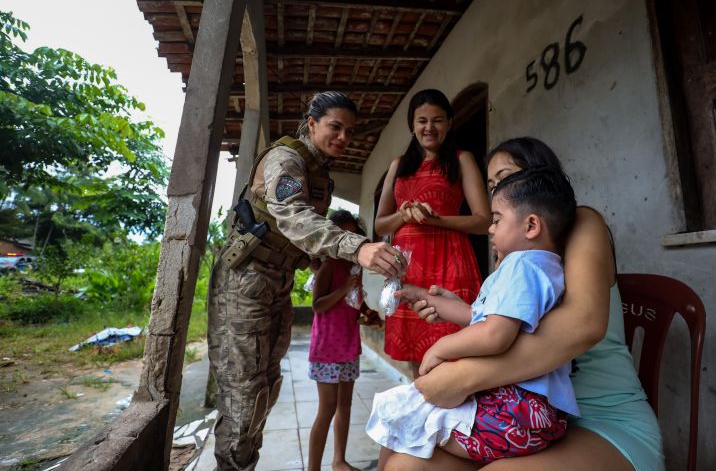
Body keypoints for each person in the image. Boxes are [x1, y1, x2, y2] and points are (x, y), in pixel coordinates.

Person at [386, 137, 665, 471]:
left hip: (600, 418)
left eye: (506, 176)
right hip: (520, 416)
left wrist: (460, 376)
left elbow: (583, 327)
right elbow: (507, 325)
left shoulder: (582, 223)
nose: (500, 188)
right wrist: (469, 311)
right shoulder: (514, 254)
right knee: (404, 460)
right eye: (493, 184)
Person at [208, 91, 406, 471]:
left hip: (276, 284)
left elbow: (302, 237)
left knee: (266, 385)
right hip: (245, 284)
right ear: (312, 123)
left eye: (350, 131)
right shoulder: (287, 158)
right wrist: (356, 247)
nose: (344, 138)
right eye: (335, 127)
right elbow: (295, 218)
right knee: (244, 395)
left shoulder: (320, 175)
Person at [367, 166, 580, 466]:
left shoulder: (521, 266)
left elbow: (495, 335)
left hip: (514, 412)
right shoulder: (543, 266)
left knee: (400, 418)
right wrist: (427, 297)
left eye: (497, 220)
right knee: (403, 423)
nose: (490, 229)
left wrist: (439, 348)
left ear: (531, 225)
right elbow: (480, 317)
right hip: (531, 415)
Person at [374, 89, 490, 378]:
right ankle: (424, 414)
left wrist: (437, 220)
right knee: (416, 357)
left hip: (449, 263)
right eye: (422, 120)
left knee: (454, 351)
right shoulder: (398, 166)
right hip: (408, 268)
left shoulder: (463, 159)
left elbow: (483, 220)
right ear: (412, 125)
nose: (429, 127)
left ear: (450, 122)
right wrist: (403, 215)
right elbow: (380, 225)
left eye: (437, 120)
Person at [307, 210, 367, 471]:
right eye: (344, 235)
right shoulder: (329, 267)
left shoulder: (355, 269)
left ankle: (339, 460)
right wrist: (344, 290)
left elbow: (353, 305)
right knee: (327, 408)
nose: (349, 241)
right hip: (327, 350)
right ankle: (313, 468)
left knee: (345, 404)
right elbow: (318, 306)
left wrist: (366, 311)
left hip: (348, 345)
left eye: (354, 235)